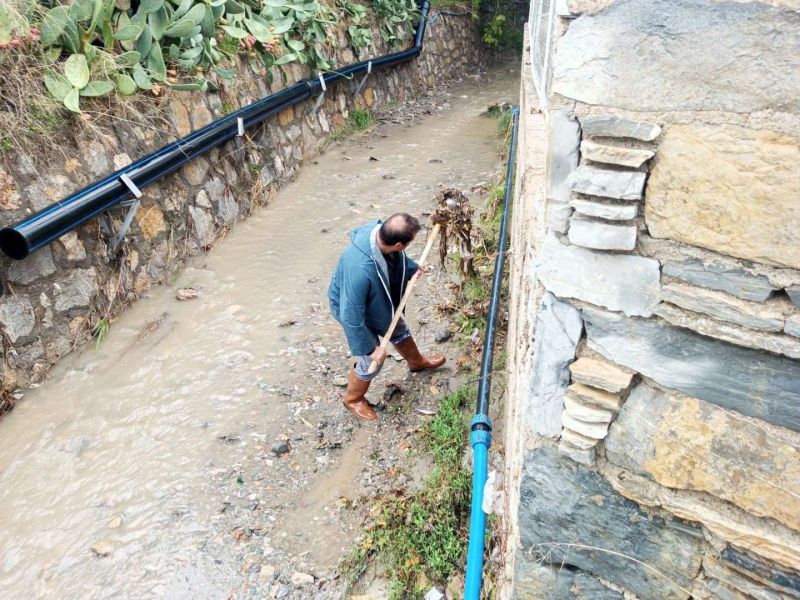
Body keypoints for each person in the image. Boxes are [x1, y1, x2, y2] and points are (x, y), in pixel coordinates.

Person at [328, 213, 446, 421]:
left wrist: (411, 268)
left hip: (374, 298)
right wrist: (370, 348)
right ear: (400, 244)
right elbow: (351, 317)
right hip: (353, 308)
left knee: (397, 327)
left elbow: (395, 258)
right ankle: (353, 398)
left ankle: (416, 362)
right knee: (371, 358)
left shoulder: (380, 233)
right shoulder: (359, 271)